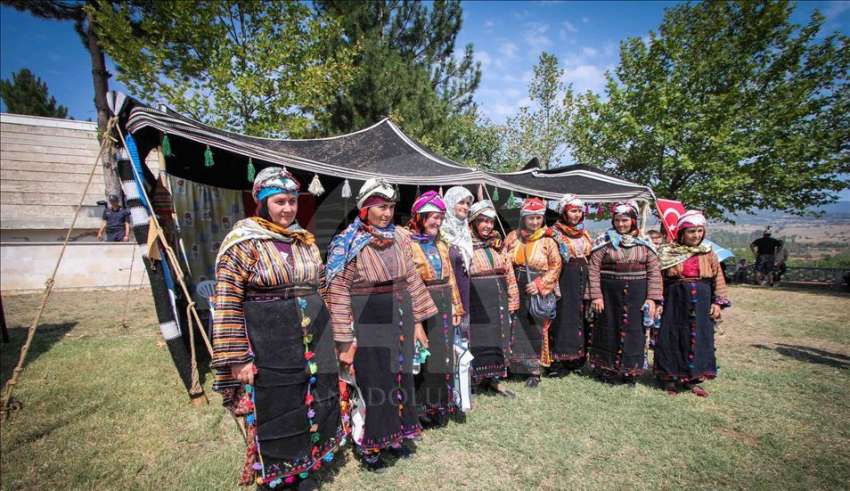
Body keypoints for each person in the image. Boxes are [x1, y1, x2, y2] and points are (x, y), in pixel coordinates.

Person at [211, 167, 344, 490]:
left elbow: (322, 287)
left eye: (292, 202)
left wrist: (335, 334)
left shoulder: (304, 241)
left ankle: (306, 464)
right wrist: (238, 357)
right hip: (269, 338)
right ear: (262, 203)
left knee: (313, 397)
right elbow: (227, 300)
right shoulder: (242, 243)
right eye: (280, 202)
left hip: (313, 336)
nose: (288, 209)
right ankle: (281, 475)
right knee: (279, 405)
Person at [323, 178, 437, 472]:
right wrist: (344, 340)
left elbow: (411, 278)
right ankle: (370, 446)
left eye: (390, 207)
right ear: (364, 209)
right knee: (375, 385)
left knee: (401, 379)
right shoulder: (346, 242)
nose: (386, 213)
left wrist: (419, 324)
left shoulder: (400, 237)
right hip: (367, 317)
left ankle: (394, 436)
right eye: (380, 207)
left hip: (400, 313)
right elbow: (337, 291)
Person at [655, 210, 730, 397]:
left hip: (702, 301)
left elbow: (718, 278)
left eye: (699, 231)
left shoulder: (708, 252)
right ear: (681, 232)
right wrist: (658, 301)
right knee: (672, 336)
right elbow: (658, 279)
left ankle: (693, 379)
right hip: (674, 299)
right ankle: (669, 378)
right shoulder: (667, 252)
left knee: (699, 339)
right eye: (691, 231)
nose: (695, 235)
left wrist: (717, 303)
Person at [588, 201, 662, 386]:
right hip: (608, 295)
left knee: (634, 332)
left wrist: (652, 299)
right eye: (618, 220)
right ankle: (607, 370)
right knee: (608, 329)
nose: (621, 224)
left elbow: (654, 272)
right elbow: (593, 269)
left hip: (637, 295)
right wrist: (596, 295)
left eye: (625, 220)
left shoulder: (645, 243)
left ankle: (631, 371)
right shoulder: (603, 241)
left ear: (633, 221)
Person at [406, 191, 463, 426]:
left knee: (441, 356)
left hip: (444, 303)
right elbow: (408, 281)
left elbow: (450, 277)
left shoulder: (441, 243)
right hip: (421, 302)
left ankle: (438, 404)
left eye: (440, 217)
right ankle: (419, 407)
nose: (437, 222)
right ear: (419, 217)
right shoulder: (407, 243)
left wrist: (457, 307)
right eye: (432, 217)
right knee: (422, 355)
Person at [505, 197, 562, 388]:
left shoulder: (548, 240)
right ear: (523, 218)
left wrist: (539, 284)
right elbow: (504, 260)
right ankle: (515, 367)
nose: (535, 222)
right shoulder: (513, 237)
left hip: (536, 288)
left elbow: (555, 266)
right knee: (514, 327)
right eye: (531, 218)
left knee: (534, 329)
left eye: (538, 218)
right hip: (514, 284)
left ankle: (533, 371)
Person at [467, 200, 519, 397]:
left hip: (498, 302)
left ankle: (493, 379)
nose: (488, 226)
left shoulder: (498, 245)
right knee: (476, 339)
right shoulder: (464, 245)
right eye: (483, 221)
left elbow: (509, 272)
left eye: (490, 221)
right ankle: (472, 381)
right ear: (472, 222)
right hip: (475, 301)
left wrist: (512, 299)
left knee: (497, 339)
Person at [548, 194, 593, 375]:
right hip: (564, 279)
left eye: (579, 211)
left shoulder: (585, 233)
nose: (576, 215)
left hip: (582, 280)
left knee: (580, 319)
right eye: (572, 211)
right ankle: (558, 361)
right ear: (564, 213)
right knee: (562, 318)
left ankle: (577, 360)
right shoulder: (554, 233)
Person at [440, 186, 474, 338]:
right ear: (450, 203)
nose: (466, 207)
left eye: (468, 203)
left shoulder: (466, 233)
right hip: (448, 295)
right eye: (461, 202)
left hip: (465, 291)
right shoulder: (440, 233)